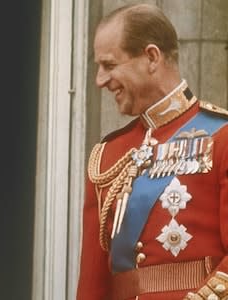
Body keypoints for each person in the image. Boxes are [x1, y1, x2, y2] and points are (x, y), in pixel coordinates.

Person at [77, 3, 228, 300]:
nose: (100, 80)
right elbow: (92, 285)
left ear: (151, 57)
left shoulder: (221, 137)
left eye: (109, 65)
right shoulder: (107, 156)